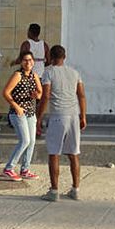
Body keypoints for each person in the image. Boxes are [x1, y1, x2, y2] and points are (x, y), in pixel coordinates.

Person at [37, 45, 86, 201]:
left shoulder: (48, 72)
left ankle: (54, 191)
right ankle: (76, 189)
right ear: (64, 57)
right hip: (73, 115)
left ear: (50, 57)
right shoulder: (74, 72)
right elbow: (82, 95)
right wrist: (83, 116)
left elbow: (45, 96)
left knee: (54, 153)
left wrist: (39, 117)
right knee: (74, 153)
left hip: (58, 116)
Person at [2, 51, 43, 181]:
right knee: (25, 140)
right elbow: (6, 93)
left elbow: (40, 92)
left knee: (32, 141)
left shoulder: (34, 75)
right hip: (18, 113)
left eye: (30, 60)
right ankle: (9, 168)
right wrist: (16, 106)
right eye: (25, 60)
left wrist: (37, 95)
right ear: (21, 62)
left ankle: (25, 169)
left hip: (31, 112)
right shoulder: (17, 75)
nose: (28, 62)